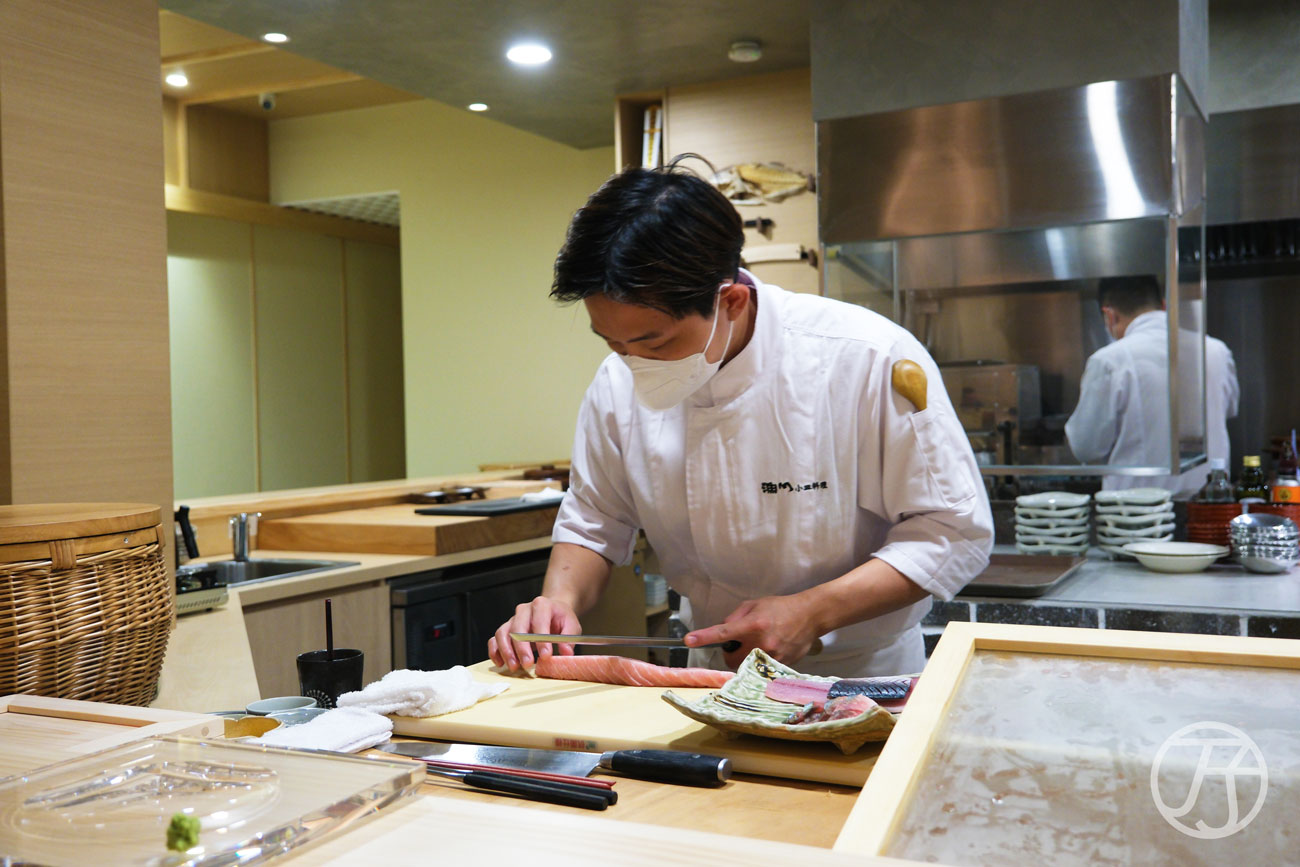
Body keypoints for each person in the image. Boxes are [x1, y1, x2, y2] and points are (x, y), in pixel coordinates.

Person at [488, 160, 993, 678]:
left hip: (860, 671)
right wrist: (558, 601)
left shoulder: (866, 358)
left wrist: (813, 611)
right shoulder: (616, 381)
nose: (632, 363)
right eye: (612, 342)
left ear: (731, 300)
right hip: (710, 669)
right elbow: (597, 518)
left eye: (653, 342)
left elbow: (953, 530)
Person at [1065, 275, 1240, 498]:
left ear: (1109, 315)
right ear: (1164, 305)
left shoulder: (1109, 360)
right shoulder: (1216, 350)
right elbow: (1230, 409)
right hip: (1210, 504)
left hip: (1137, 515)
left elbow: (1085, 447)